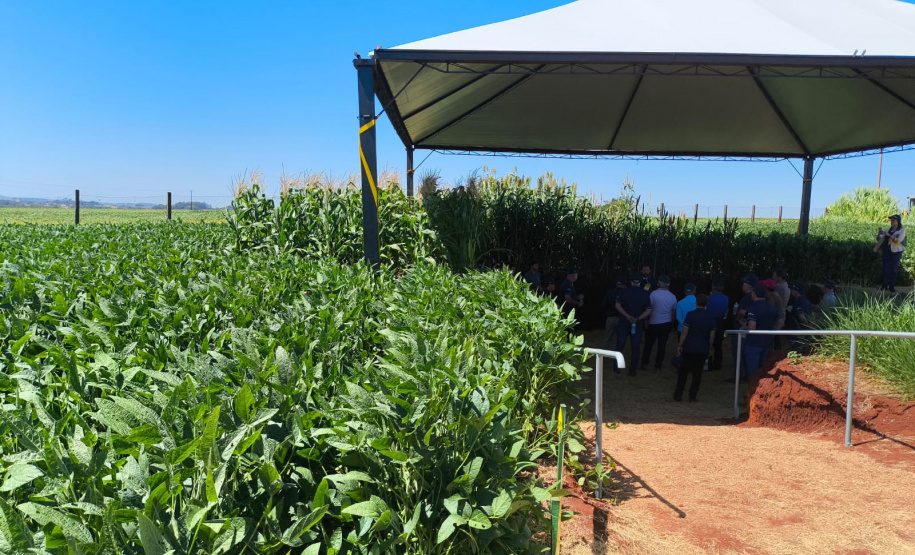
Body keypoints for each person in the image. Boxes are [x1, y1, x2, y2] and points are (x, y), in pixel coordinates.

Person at [674, 294, 716, 402]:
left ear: (696, 303)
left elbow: (684, 332)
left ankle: (678, 394)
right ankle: (692, 396)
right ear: (707, 303)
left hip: (689, 347)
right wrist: (710, 347)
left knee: (683, 372)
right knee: (697, 374)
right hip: (703, 348)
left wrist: (680, 345)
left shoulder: (690, 315)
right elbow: (712, 335)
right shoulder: (711, 316)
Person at [615, 274, 652, 375]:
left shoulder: (623, 292)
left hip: (624, 322)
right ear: (640, 283)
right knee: (635, 347)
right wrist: (638, 318)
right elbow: (648, 310)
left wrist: (627, 316)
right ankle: (632, 370)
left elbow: (617, 305)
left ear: (630, 282)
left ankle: (617, 367)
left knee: (620, 344)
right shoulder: (645, 294)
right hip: (637, 323)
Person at [641, 275, 677, 371]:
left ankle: (644, 363)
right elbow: (673, 314)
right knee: (662, 345)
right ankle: (658, 364)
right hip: (666, 323)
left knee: (648, 344)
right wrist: (671, 324)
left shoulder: (653, 294)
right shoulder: (673, 297)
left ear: (659, 283)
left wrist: (647, 320)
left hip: (653, 322)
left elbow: (649, 308)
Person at [743, 285, 778, 379]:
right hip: (767, 342)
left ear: (753, 294)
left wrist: (743, 328)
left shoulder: (753, 308)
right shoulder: (771, 307)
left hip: (753, 343)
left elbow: (752, 328)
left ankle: (754, 391)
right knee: (765, 371)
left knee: (753, 373)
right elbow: (778, 322)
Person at [877, 215, 906, 292]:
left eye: (893, 220)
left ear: (898, 222)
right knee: (885, 267)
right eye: (891, 220)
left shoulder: (902, 230)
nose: (892, 222)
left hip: (897, 251)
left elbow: (898, 240)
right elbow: (879, 238)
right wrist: (879, 234)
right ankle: (884, 285)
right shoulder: (888, 229)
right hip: (887, 249)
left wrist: (889, 235)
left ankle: (891, 286)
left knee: (894, 268)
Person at [707, 278, 729, 370]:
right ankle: (718, 363)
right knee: (718, 345)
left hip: (709, 321)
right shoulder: (725, 298)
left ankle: (707, 363)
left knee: (707, 343)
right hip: (720, 322)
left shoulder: (709, 298)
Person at [602, 277, 627, 350]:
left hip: (611, 317)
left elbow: (604, 305)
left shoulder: (610, 292)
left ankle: (604, 356)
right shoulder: (625, 293)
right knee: (617, 339)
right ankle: (615, 356)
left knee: (607, 338)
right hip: (622, 318)